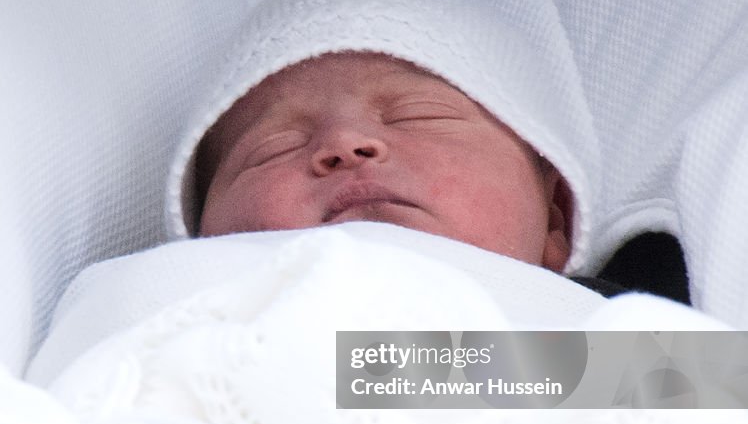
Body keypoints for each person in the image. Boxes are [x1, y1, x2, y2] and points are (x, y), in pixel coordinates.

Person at [195, 50, 573, 274]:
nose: (344, 142)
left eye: (419, 115)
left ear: (555, 217)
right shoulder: (158, 306)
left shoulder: (598, 330)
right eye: (275, 148)